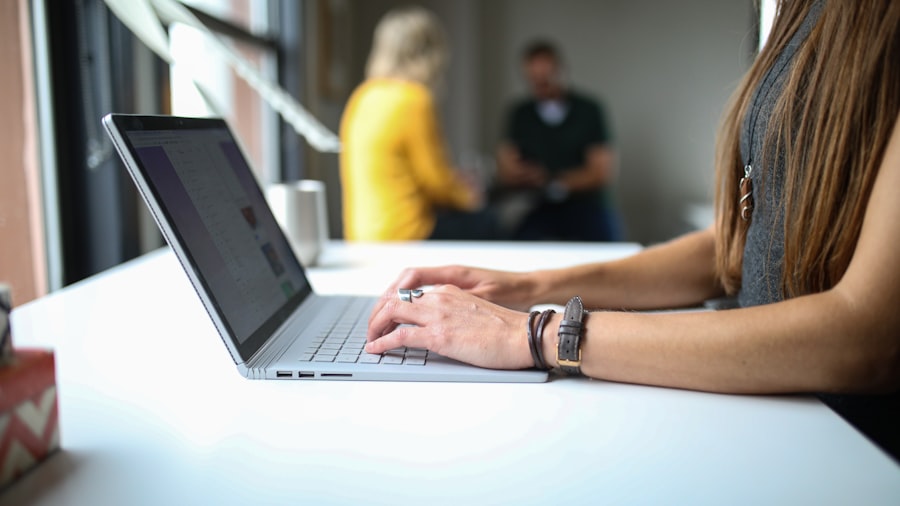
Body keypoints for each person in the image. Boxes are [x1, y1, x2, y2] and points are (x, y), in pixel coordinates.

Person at [365, 0, 900, 459]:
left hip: (850, 443)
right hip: (769, 411)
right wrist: (523, 288)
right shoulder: (800, 14)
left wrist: (533, 332)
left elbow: (866, 337)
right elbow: (735, 246)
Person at [339, 7, 494, 241]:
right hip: (405, 233)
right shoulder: (414, 99)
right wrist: (471, 198)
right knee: (490, 222)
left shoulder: (362, 96)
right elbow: (436, 182)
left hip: (361, 234)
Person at [494, 40, 621, 241]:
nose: (541, 86)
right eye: (534, 80)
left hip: (587, 207)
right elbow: (507, 166)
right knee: (514, 247)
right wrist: (521, 175)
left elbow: (600, 172)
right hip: (541, 207)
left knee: (611, 250)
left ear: (562, 71)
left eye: (546, 78)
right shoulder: (521, 114)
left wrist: (552, 181)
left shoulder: (588, 110)